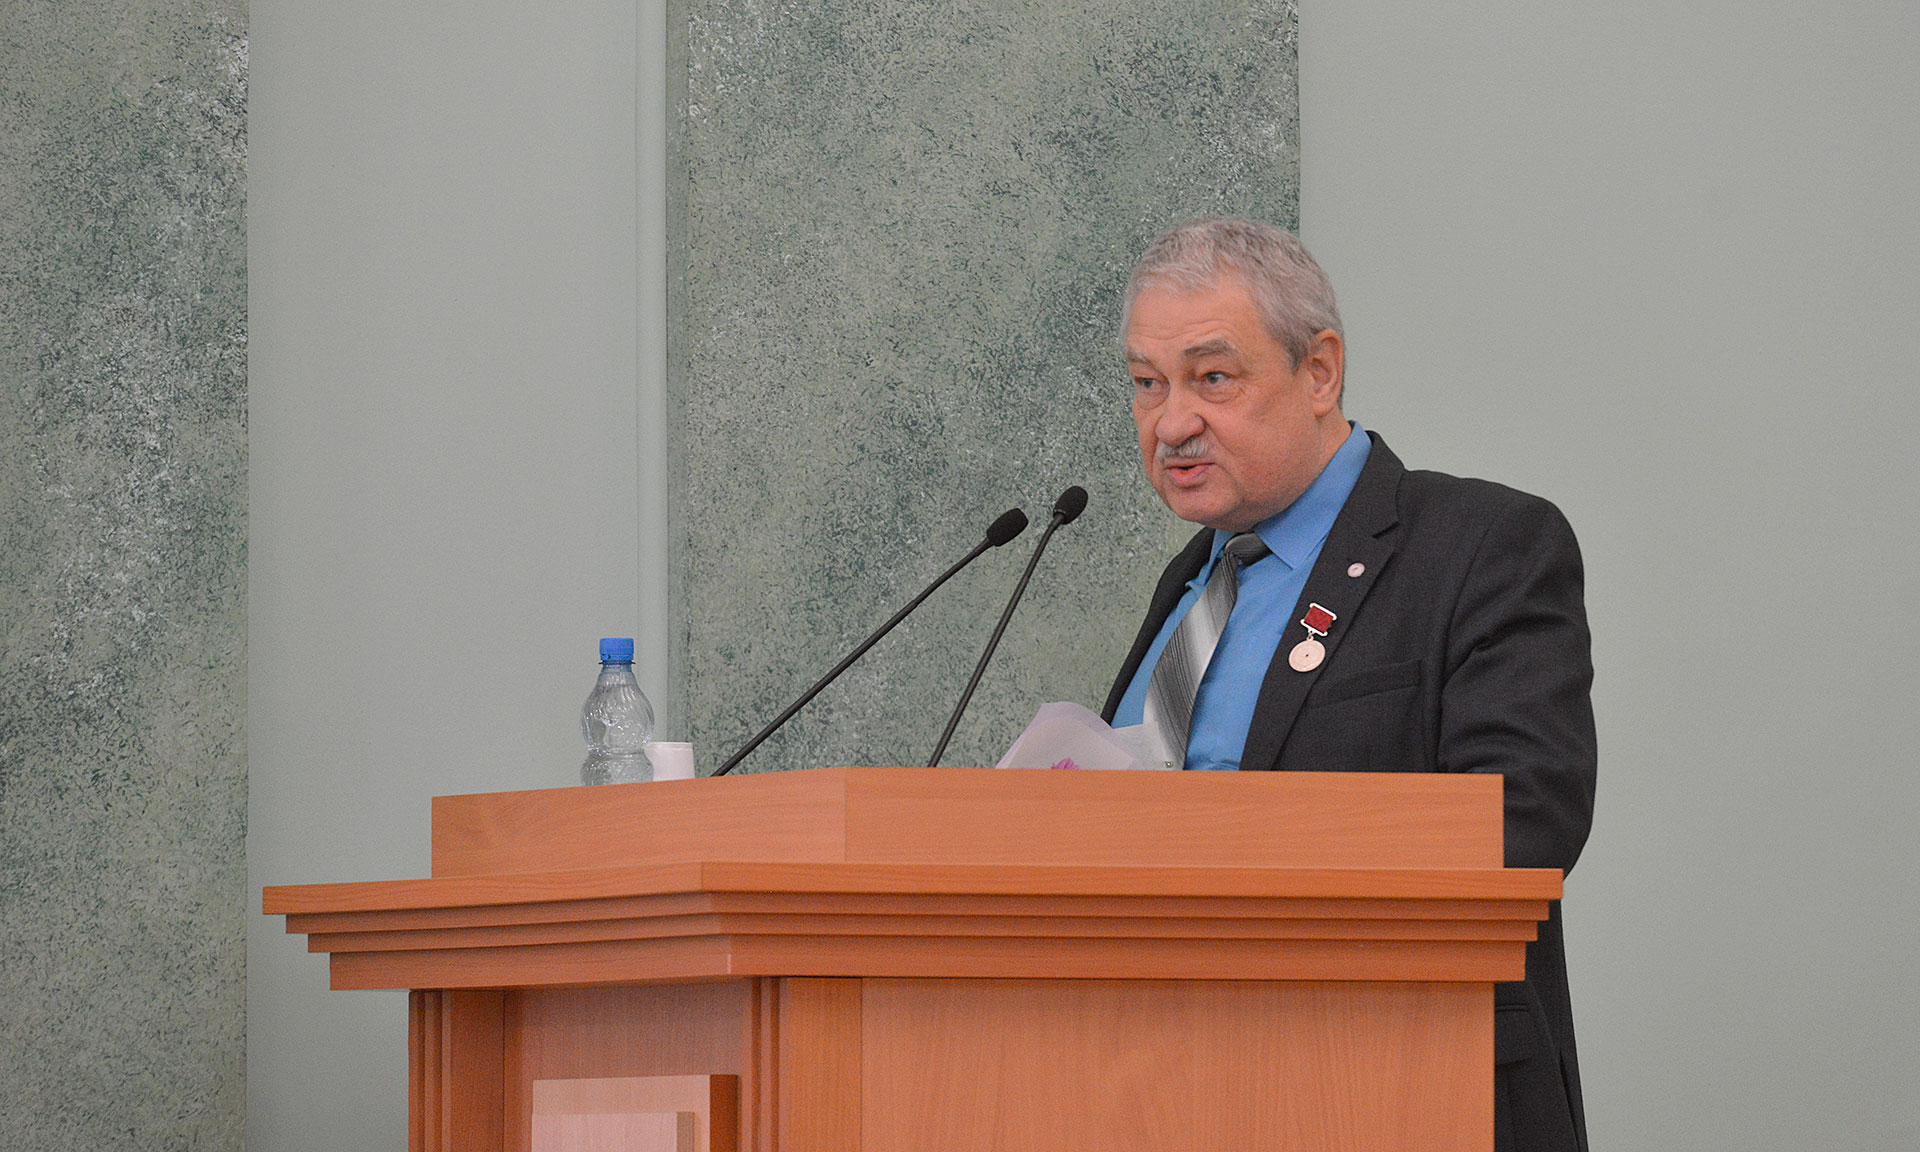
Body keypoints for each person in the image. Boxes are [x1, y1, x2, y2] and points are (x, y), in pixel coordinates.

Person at [1102, 218, 1597, 1152]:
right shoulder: (1192, 584)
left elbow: (1524, 821)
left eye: (1213, 378)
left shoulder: (1480, 545)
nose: (1170, 424)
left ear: (1320, 371)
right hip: (1160, 1086)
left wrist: (1227, 854)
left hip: (1395, 1084)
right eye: (1146, 384)